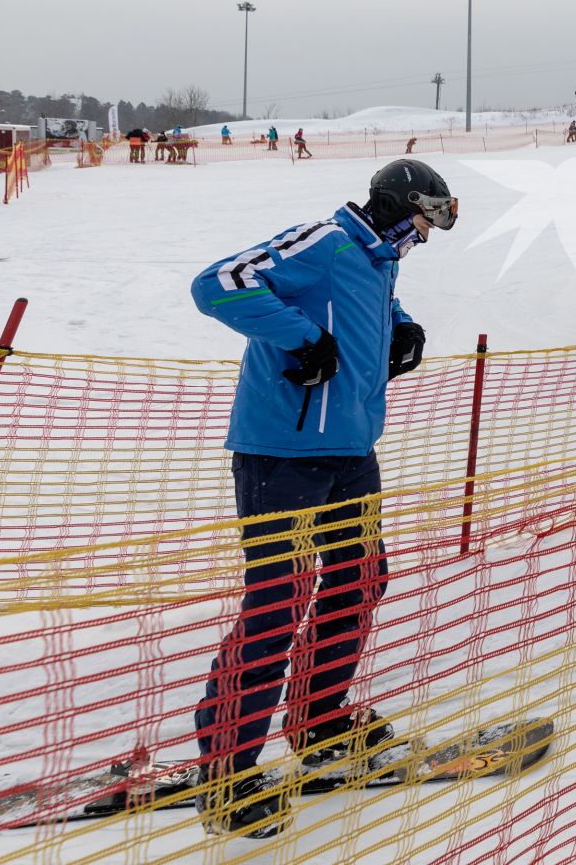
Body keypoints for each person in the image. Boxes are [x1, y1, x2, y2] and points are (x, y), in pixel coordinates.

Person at [188, 159, 456, 838]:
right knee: (280, 599)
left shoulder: (378, 259)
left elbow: (361, 303)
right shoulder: (324, 238)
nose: (423, 237)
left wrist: (402, 323)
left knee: (362, 577)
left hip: (350, 453)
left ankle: (318, 720)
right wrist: (301, 340)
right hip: (283, 455)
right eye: (422, 221)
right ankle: (226, 771)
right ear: (397, 206)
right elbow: (218, 284)